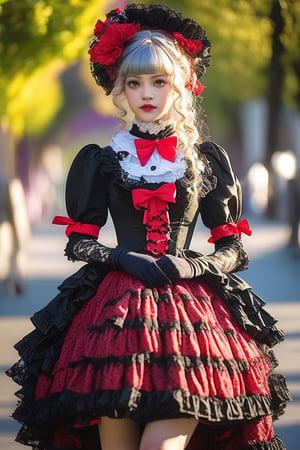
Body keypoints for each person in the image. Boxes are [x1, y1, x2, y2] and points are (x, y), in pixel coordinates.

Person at [7, 4, 290, 449]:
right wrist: (121, 256)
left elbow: (233, 248)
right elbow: (80, 243)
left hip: (191, 320)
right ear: (120, 88)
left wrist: (191, 267)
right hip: (114, 320)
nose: (146, 93)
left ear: (180, 86)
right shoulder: (102, 160)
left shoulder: (204, 159)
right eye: (134, 82)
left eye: (159, 81)